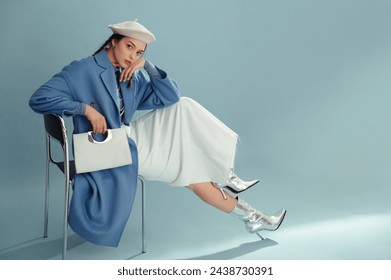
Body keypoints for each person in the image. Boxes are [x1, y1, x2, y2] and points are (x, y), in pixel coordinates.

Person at [29, 19, 286, 247]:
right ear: (113, 41)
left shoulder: (130, 74)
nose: (133, 55)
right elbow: (39, 99)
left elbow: (170, 97)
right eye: (129, 46)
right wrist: (84, 109)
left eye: (140, 52)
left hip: (128, 138)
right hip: (107, 149)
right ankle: (251, 212)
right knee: (194, 175)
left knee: (183, 105)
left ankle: (238, 192)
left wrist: (148, 67)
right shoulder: (81, 70)